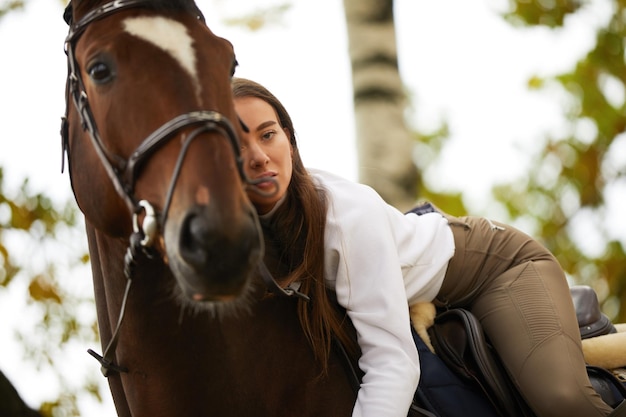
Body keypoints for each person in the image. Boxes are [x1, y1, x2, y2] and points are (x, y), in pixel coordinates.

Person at [231, 77, 625, 417]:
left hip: (494, 268)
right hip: (419, 273)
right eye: (238, 143)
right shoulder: (235, 227)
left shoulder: (342, 217)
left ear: (291, 141)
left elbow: (394, 361)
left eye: (268, 134)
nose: (259, 157)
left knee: (562, 400)